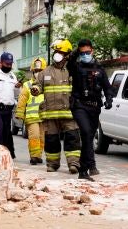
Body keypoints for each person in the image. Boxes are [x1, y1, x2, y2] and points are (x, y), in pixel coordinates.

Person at [31, 39, 81, 174]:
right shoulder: (45, 72)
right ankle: (52, 164)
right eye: (55, 52)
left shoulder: (72, 71)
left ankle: (74, 163)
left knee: (72, 138)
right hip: (50, 113)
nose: (56, 54)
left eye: (60, 52)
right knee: (51, 140)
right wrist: (35, 89)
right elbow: (37, 84)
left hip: (68, 113)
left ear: (67, 55)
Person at [67, 39, 114, 181]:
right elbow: (69, 63)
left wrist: (109, 99)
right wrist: (76, 52)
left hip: (95, 107)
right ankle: (83, 170)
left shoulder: (99, 68)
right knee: (86, 133)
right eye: (83, 53)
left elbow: (107, 87)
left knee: (89, 137)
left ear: (92, 51)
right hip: (80, 106)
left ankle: (86, 169)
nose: (86, 55)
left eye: (88, 52)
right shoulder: (76, 67)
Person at [15, 57, 46, 165]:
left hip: (44, 116)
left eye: (40, 71)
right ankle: (33, 156)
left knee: (42, 138)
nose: (38, 73)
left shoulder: (47, 84)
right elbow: (22, 99)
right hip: (32, 117)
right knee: (34, 136)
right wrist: (19, 113)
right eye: (36, 71)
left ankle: (38, 156)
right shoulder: (27, 85)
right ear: (32, 71)